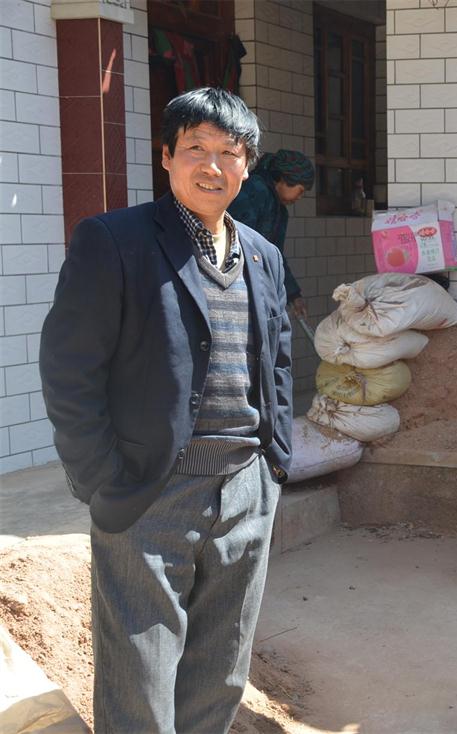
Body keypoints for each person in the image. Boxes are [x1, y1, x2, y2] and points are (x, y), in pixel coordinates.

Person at [39, 88, 293, 733]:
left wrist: (274, 464)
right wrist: (99, 478)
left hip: (245, 489)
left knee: (222, 668)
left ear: (247, 165)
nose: (211, 165)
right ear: (166, 157)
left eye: (228, 152)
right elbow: (69, 368)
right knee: (140, 673)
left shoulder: (262, 254)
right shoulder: (114, 240)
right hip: (151, 489)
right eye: (194, 148)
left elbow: (278, 362)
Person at [228, 148, 314, 320]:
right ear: (284, 180)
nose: (300, 197)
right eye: (301, 190)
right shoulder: (255, 190)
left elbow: (275, 255)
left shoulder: (279, 210)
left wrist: (293, 294)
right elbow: (239, 243)